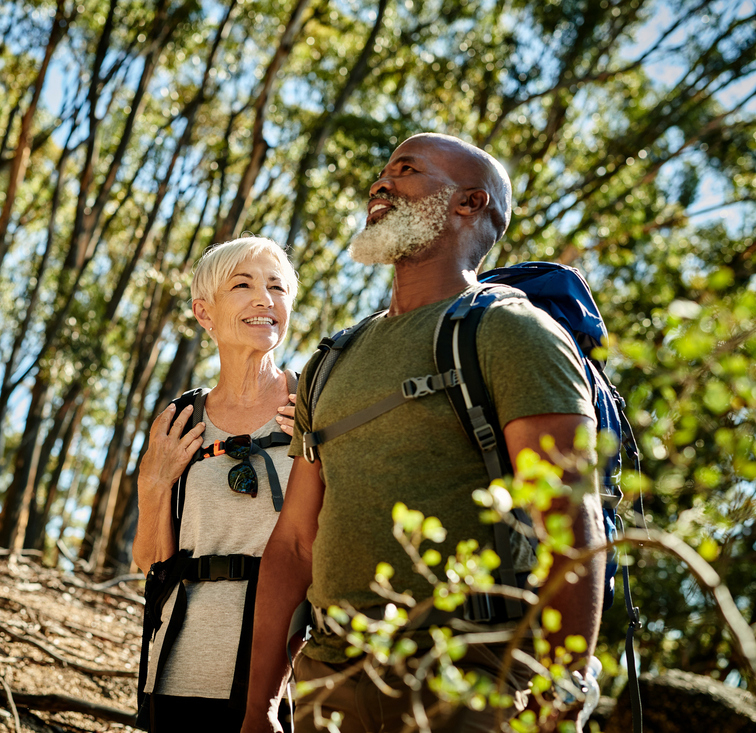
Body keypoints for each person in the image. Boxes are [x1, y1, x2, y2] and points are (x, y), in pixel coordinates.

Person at [240, 133, 606, 733]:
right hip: (329, 685)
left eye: (406, 170)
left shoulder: (512, 333)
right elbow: (295, 546)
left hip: (466, 683)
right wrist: (257, 707)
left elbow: (569, 520)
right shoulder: (334, 358)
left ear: (469, 203)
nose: (379, 184)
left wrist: (558, 700)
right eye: (382, 172)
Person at [133, 236, 300, 732]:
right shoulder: (182, 418)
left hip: (289, 671)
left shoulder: (314, 404)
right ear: (204, 313)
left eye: (277, 287)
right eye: (242, 285)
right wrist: (154, 484)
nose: (264, 299)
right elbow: (151, 560)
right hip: (183, 664)